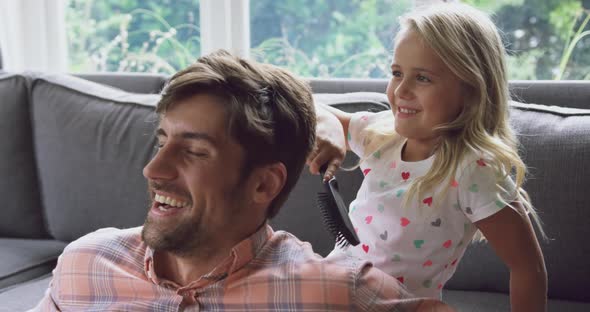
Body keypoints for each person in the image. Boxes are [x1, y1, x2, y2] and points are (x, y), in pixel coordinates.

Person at [33, 50, 451, 311]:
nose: (154, 169)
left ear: (264, 185)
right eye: (162, 142)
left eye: (194, 151)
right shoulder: (85, 265)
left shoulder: (338, 290)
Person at [308, 3, 547, 311]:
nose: (401, 90)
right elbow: (310, 106)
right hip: (337, 292)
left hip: (399, 305)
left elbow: (528, 269)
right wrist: (329, 131)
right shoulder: (382, 135)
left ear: (471, 89)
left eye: (422, 78)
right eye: (397, 73)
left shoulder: (474, 169)